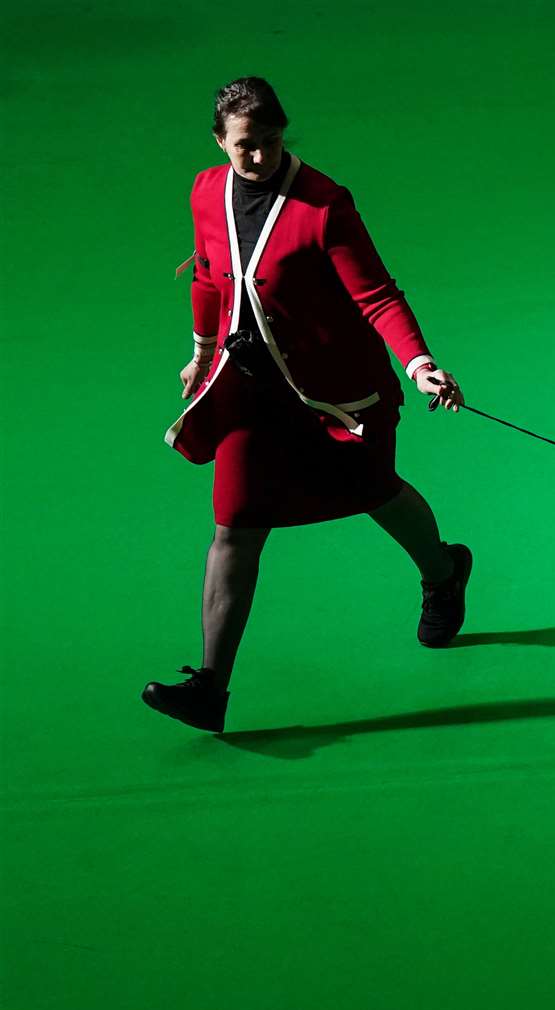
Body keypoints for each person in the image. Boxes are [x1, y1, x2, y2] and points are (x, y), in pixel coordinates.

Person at [143, 76, 472, 733]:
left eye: (268, 142)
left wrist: (419, 363)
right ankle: (211, 687)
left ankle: (443, 573)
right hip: (252, 390)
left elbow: (376, 293)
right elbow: (210, 275)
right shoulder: (207, 191)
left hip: (335, 392)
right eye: (244, 146)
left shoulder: (322, 204)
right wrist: (202, 351)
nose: (258, 156)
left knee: (375, 490)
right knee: (233, 525)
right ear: (219, 142)